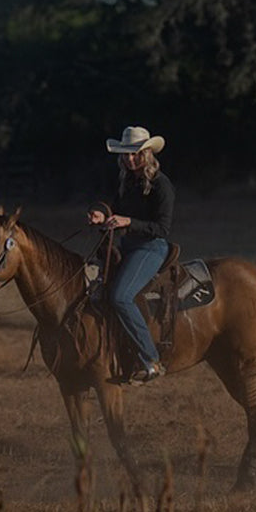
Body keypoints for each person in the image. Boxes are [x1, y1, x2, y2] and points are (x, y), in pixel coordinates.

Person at [88, 125, 175, 385]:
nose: (130, 158)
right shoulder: (127, 180)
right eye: (126, 154)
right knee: (92, 287)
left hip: (151, 247)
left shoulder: (161, 185)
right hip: (128, 246)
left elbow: (162, 228)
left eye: (135, 153)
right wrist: (102, 214)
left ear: (147, 153)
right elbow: (116, 206)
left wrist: (128, 222)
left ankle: (151, 360)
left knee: (121, 296)